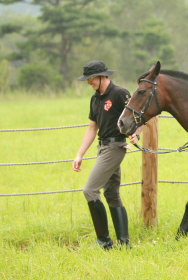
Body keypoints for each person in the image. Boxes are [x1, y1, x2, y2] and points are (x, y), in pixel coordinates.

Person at [72, 60, 140, 249]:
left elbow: (138, 117)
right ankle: (124, 243)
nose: (89, 83)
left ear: (103, 76)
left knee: (90, 190)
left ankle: (103, 241)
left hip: (116, 147)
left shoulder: (120, 93)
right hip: (102, 148)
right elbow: (92, 129)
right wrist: (79, 154)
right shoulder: (95, 99)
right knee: (111, 193)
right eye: (87, 79)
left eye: (91, 79)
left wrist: (137, 133)